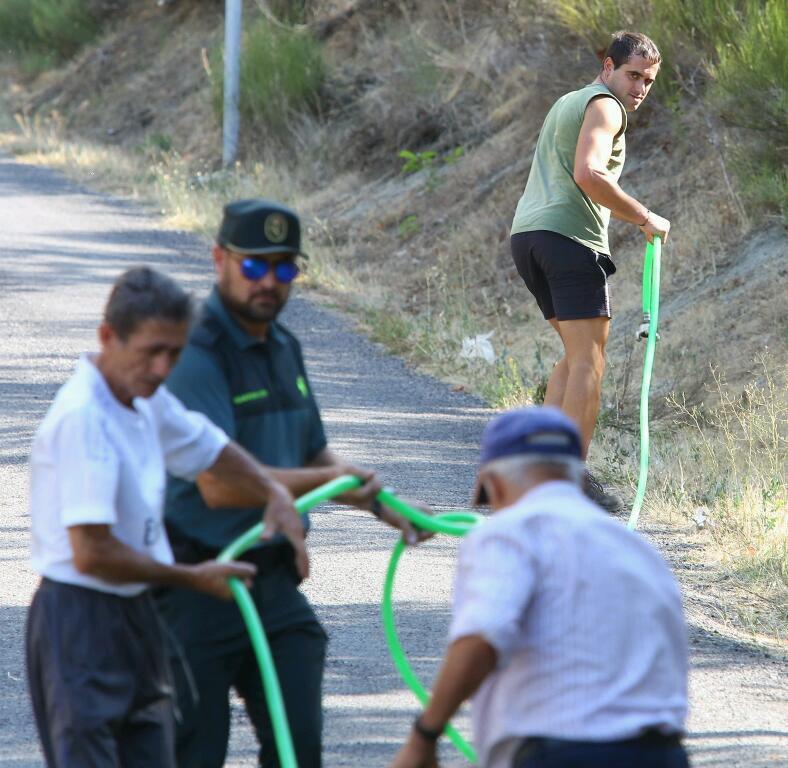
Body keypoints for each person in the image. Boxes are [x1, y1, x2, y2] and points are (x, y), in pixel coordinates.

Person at [26, 266, 330, 767]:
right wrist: (190, 576)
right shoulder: (85, 418)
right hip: (80, 617)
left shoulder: (144, 400)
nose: (164, 368)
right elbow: (92, 553)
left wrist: (271, 489)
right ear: (108, 337)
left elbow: (208, 446)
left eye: (175, 353)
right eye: (152, 352)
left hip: (137, 611)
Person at [157, 198, 422, 768]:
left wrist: (380, 503)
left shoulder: (284, 348)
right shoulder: (195, 354)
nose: (269, 283)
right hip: (197, 586)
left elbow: (313, 452)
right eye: (254, 267)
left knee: (298, 750)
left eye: (284, 268)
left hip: (272, 580)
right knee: (193, 754)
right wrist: (332, 479)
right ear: (219, 260)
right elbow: (219, 486)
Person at [389, 406, 689, 768]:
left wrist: (425, 736)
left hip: (564, 752)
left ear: (492, 484)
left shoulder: (509, 532)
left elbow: (482, 636)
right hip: (663, 754)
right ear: (577, 479)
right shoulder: (638, 549)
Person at [509, 31, 670, 511]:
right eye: (632, 75)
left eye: (648, 80)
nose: (639, 87)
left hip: (529, 238)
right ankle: (570, 481)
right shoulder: (606, 106)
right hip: (568, 242)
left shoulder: (570, 101)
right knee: (590, 362)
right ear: (608, 67)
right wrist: (644, 217)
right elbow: (589, 173)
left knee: (573, 356)